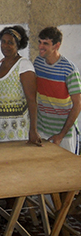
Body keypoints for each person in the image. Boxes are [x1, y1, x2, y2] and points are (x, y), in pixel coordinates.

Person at [0, 26, 42, 145]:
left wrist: (33, 130)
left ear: (18, 45)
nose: (5, 46)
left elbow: (32, 101)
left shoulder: (24, 66)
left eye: (10, 43)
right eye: (3, 42)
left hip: (17, 134)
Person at [34, 26, 81, 154]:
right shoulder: (37, 63)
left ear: (57, 45)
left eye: (46, 44)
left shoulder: (69, 70)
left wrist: (61, 135)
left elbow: (78, 105)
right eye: (40, 42)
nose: (40, 46)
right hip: (42, 130)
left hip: (65, 135)